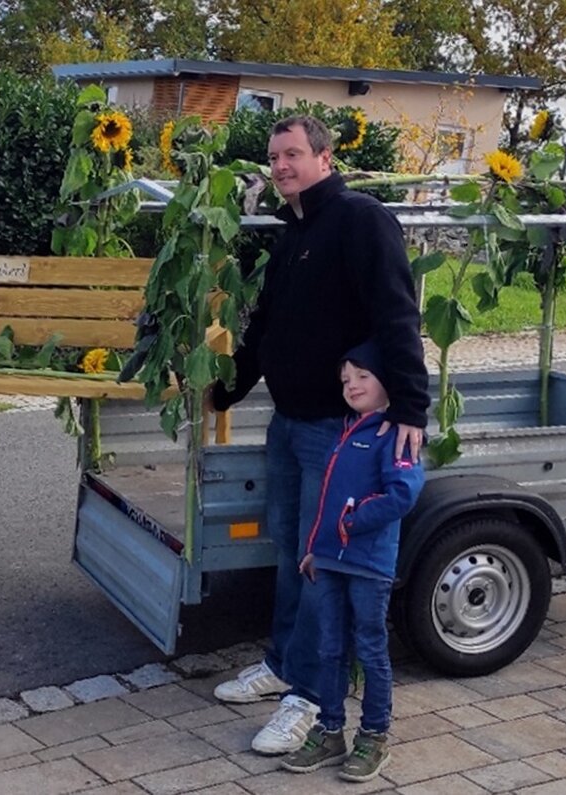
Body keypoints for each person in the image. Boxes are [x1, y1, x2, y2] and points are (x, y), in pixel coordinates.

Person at [207, 115, 429, 754]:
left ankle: (308, 699)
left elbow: (397, 313)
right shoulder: (293, 232)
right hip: (290, 422)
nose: (281, 166)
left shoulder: (361, 220)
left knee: (320, 563)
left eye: (294, 154)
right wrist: (226, 390)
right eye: (275, 156)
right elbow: (268, 328)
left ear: (325, 158)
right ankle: (283, 664)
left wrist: (410, 410)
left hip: (339, 431)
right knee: (290, 550)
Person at [280, 340, 424, 782]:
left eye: (363, 376)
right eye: (346, 379)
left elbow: (403, 493)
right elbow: (326, 501)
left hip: (368, 565)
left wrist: (351, 523)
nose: (352, 384)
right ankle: (329, 732)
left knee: (371, 648)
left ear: (388, 383)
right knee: (330, 648)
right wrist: (316, 548)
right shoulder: (346, 432)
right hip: (330, 561)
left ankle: (374, 737)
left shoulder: (395, 434)